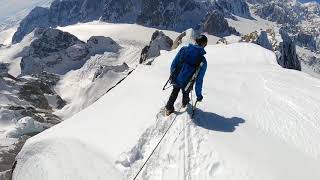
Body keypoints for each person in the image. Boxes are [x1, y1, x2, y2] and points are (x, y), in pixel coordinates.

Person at [165, 35, 208, 116]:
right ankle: (185, 103)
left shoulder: (184, 49)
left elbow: (174, 64)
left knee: (175, 91)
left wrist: (172, 76)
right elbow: (199, 80)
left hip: (177, 78)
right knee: (186, 92)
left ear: (195, 41)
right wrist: (199, 95)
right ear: (204, 45)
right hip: (188, 83)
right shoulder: (203, 61)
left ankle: (169, 108)